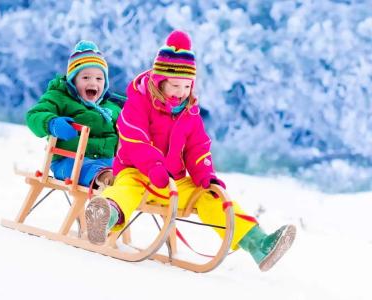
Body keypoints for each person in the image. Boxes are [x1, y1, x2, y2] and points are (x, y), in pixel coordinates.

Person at [85, 30, 296, 272]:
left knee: (210, 196)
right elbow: (134, 138)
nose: (181, 92)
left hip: (173, 182)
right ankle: (104, 217)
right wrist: (153, 165)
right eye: (175, 85)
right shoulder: (138, 104)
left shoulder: (189, 112)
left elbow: (198, 146)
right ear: (159, 81)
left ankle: (259, 244)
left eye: (187, 86)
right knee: (126, 190)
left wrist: (204, 173)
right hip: (137, 173)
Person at [26, 40, 125, 188]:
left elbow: (134, 121)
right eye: (86, 77)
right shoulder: (59, 97)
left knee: (127, 173)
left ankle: (124, 189)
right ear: (73, 80)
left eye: (99, 78)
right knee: (84, 168)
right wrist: (52, 123)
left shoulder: (111, 106)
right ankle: (104, 179)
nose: (93, 83)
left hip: (108, 161)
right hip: (68, 161)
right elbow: (34, 115)